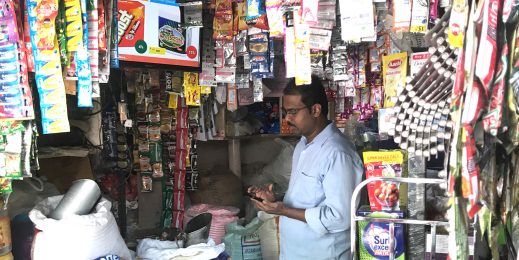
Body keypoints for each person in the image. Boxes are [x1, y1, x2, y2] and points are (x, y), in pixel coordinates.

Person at [248, 75, 363, 259]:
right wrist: (274, 199)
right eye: (286, 112)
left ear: (316, 110)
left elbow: (340, 217)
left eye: (293, 112)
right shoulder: (303, 145)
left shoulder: (337, 154)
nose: (287, 118)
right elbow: (310, 197)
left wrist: (282, 210)